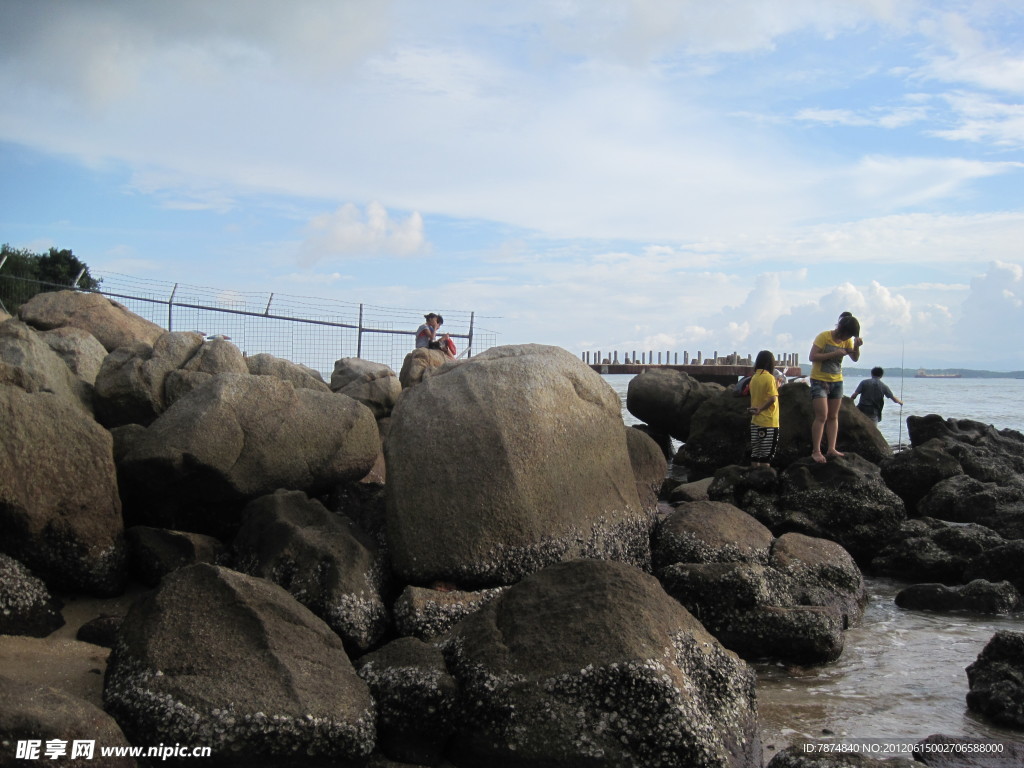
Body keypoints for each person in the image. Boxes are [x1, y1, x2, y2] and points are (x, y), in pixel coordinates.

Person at [808, 314, 862, 462]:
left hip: (837, 381)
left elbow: (855, 358)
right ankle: (816, 451)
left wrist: (856, 346)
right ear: (841, 329)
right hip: (819, 380)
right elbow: (812, 357)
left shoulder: (847, 341)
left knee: (833, 416)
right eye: (848, 334)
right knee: (822, 416)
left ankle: (831, 448)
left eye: (851, 336)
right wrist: (834, 353)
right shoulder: (824, 337)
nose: (848, 338)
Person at [748, 350, 780, 467]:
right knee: (766, 457)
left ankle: (753, 479)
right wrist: (761, 409)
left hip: (755, 421)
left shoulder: (754, 378)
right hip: (768, 422)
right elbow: (772, 399)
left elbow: (761, 394)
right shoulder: (769, 378)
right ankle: (764, 481)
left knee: (756, 453)